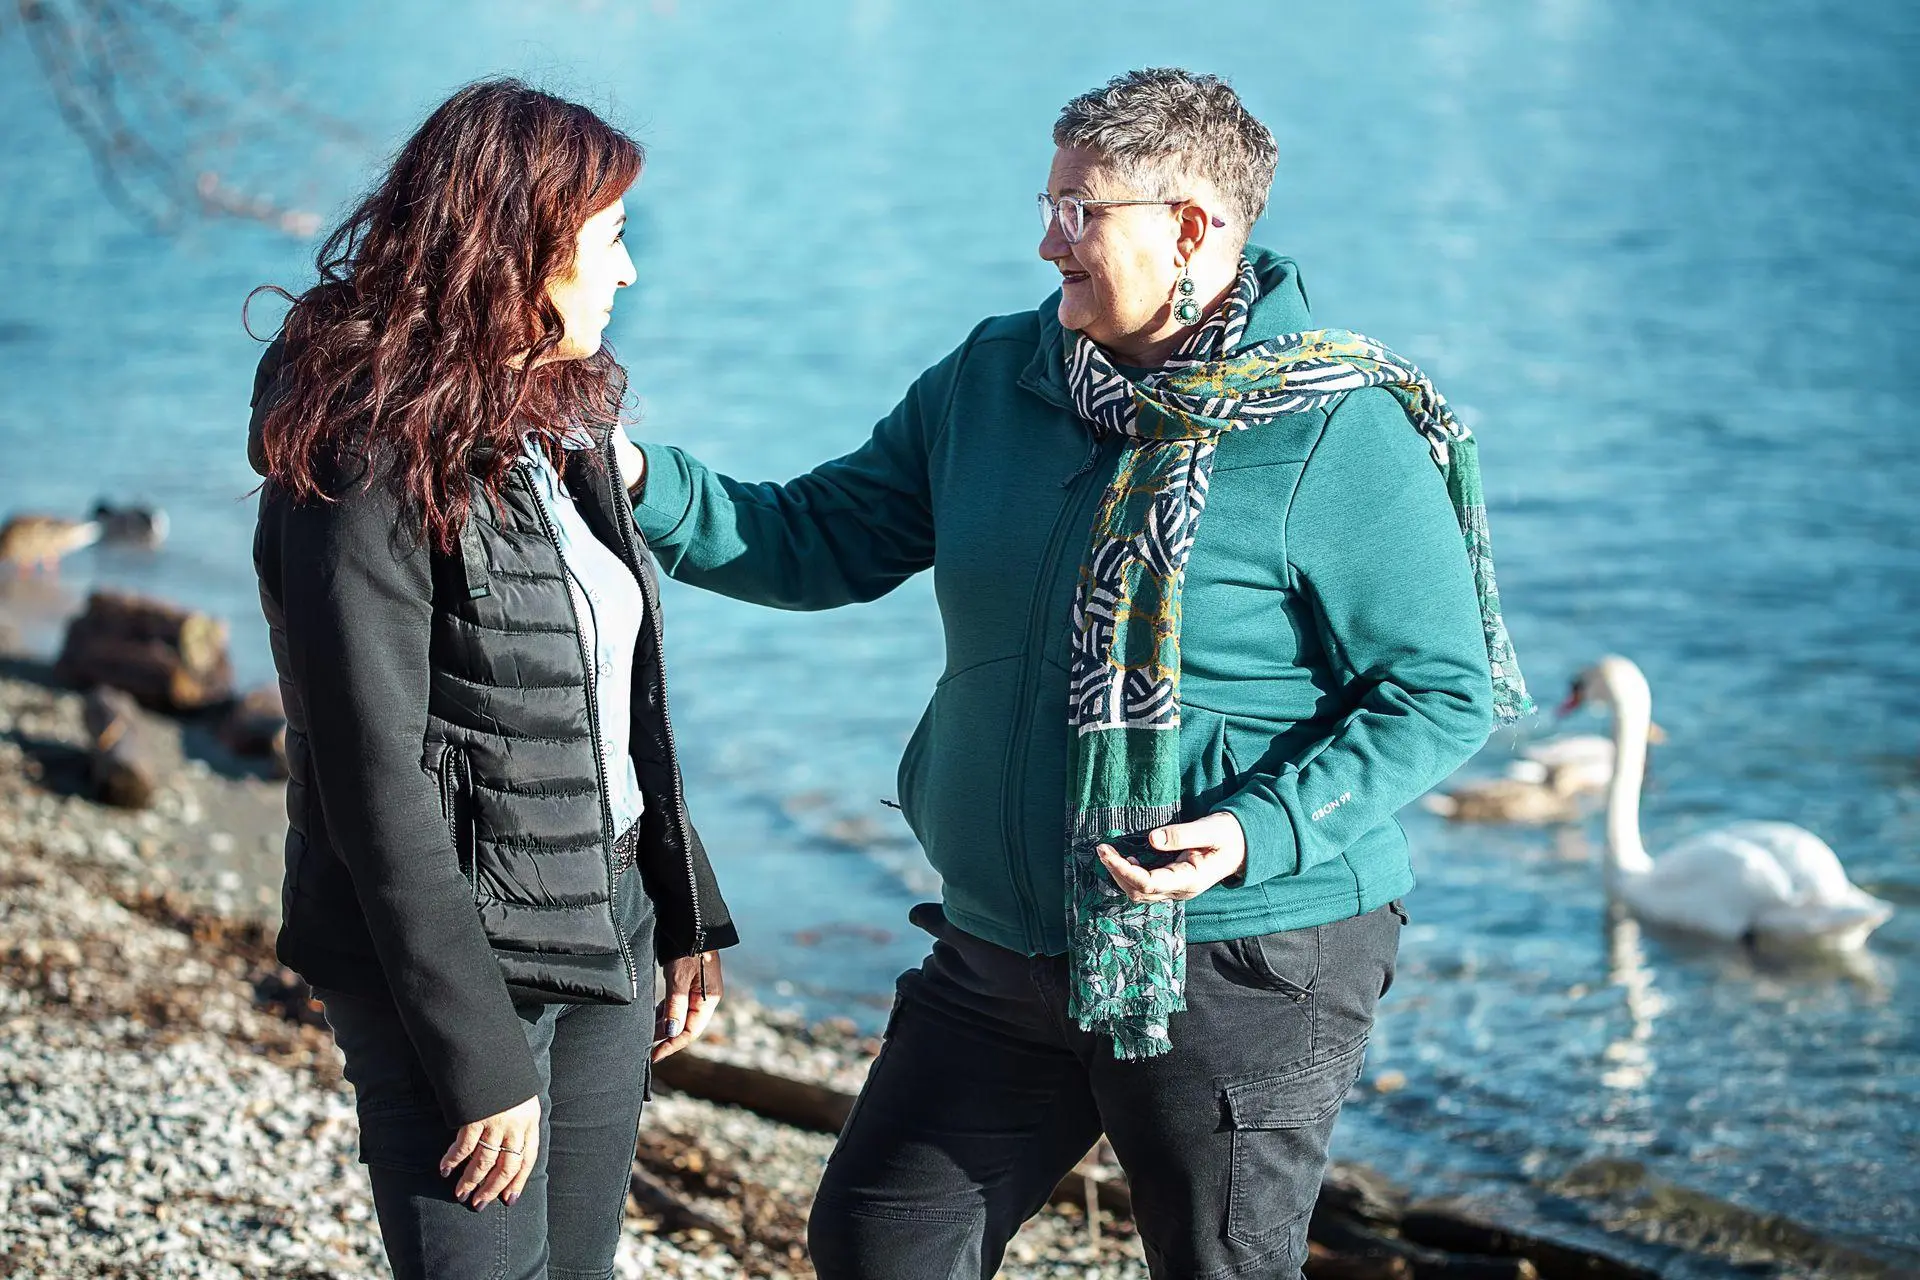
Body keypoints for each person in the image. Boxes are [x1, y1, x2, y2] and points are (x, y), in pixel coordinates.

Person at [623, 68, 1529, 1278]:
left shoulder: (1331, 425)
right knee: (881, 1239)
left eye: (1079, 211)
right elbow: (819, 537)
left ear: (1191, 228)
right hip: (1002, 942)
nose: (1048, 241)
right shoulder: (997, 376)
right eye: (1048, 203)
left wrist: (1254, 830)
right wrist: (635, 478)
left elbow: (1439, 687)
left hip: (1238, 954)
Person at [247, 79, 735, 1280]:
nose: (629, 273)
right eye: (611, 241)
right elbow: (371, 777)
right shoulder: (360, 454)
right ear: (521, 249)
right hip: (457, 958)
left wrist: (683, 905)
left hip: (606, 919)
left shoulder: (558, 420)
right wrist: (475, 1054)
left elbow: (609, 697)